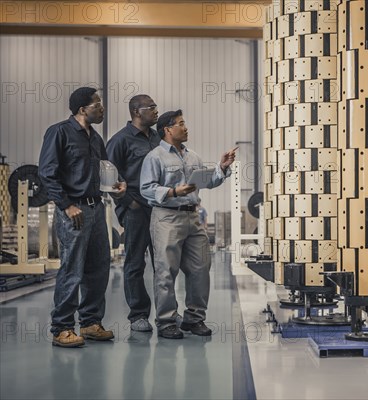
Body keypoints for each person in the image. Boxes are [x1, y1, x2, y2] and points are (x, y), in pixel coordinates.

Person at [38, 87, 127, 347]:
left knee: (98, 268)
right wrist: (66, 205)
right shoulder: (59, 133)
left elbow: (105, 172)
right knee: (72, 269)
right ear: (81, 109)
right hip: (73, 211)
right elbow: (47, 173)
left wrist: (117, 186)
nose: (101, 108)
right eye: (97, 104)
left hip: (96, 209)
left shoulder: (95, 138)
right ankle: (62, 328)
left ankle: (90, 323)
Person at [140, 109, 236, 339]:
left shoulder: (192, 156)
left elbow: (206, 182)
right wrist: (173, 191)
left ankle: (194, 319)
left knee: (201, 268)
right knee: (166, 272)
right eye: (181, 124)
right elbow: (146, 189)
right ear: (168, 129)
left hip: (193, 217)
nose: (186, 128)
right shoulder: (155, 157)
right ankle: (166, 322)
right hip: (167, 217)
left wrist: (221, 168)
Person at [106, 94, 161, 332]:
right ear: (137, 112)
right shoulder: (120, 141)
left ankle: (168, 313)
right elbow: (108, 179)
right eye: (152, 107)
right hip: (135, 210)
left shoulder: (159, 138)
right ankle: (138, 315)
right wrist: (129, 202)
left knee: (164, 265)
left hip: (161, 209)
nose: (157, 111)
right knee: (135, 263)